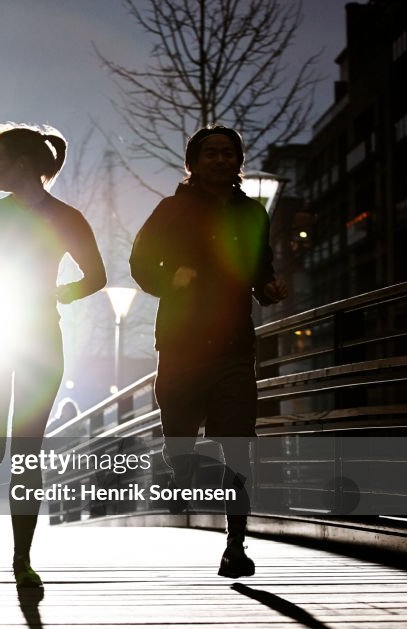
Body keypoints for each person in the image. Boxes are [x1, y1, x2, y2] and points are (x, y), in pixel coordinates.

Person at [129, 124, 287, 579]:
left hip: (235, 345)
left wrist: (270, 289)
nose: (219, 160)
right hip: (181, 342)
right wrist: (168, 279)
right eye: (210, 153)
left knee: (239, 445)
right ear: (193, 163)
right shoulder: (172, 210)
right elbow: (140, 263)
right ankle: (177, 460)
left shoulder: (253, 215)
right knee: (180, 436)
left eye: (227, 153)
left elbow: (260, 269)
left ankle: (235, 544)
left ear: (237, 161)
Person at [0, 124, 107, 590]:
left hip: (41, 340)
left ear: (22, 165)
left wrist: (65, 291)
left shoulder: (67, 218)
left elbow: (96, 275)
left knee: (25, 452)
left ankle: (22, 560)